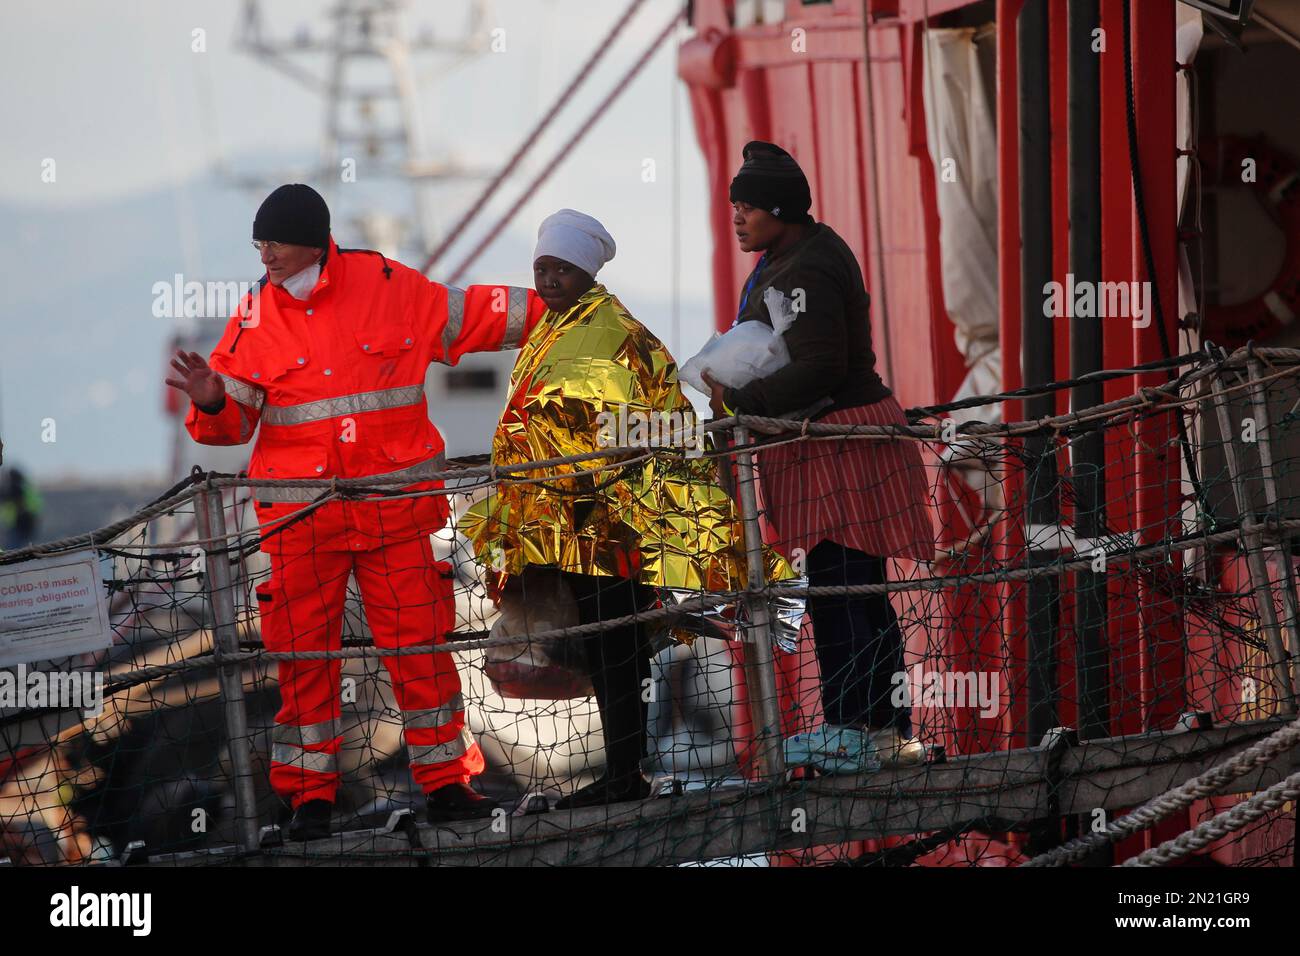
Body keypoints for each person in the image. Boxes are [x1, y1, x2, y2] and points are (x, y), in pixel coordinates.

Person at [166, 184, 546, 838]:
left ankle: (449, 786)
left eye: (275, 242)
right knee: (305, 665)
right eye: (259, 244)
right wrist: (209, 401)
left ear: (312, 240)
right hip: (301, 527)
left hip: (393, 519)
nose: (265, 254)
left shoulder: (391, 286)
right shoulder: (253, 318)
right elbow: (231, 426)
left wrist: (565, 305)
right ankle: (309, 802)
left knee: (421, 653)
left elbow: (479, 315)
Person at [461, 209, 784, 807]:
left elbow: (630, 427)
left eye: (561, 268)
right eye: (542, 269)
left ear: (586, 271)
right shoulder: (558, 328)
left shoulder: (606, 332)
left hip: (612, 524)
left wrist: (569, 455)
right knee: (611, 650)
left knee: (618, 650)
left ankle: (623, 776)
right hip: (573, 525)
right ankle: (622, 772)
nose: (550, 280)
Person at [701, 142, 934, 767]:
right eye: (735, 206)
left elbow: (823, 366)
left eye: (748, 206)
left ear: (781, 207)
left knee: (842, 590)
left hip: (839, 445)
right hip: (842, 442)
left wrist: (740, 399)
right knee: (857, 589)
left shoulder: (802, 269)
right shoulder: (799, 253)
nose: (739, 217)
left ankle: (855, 728)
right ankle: (883, 730)